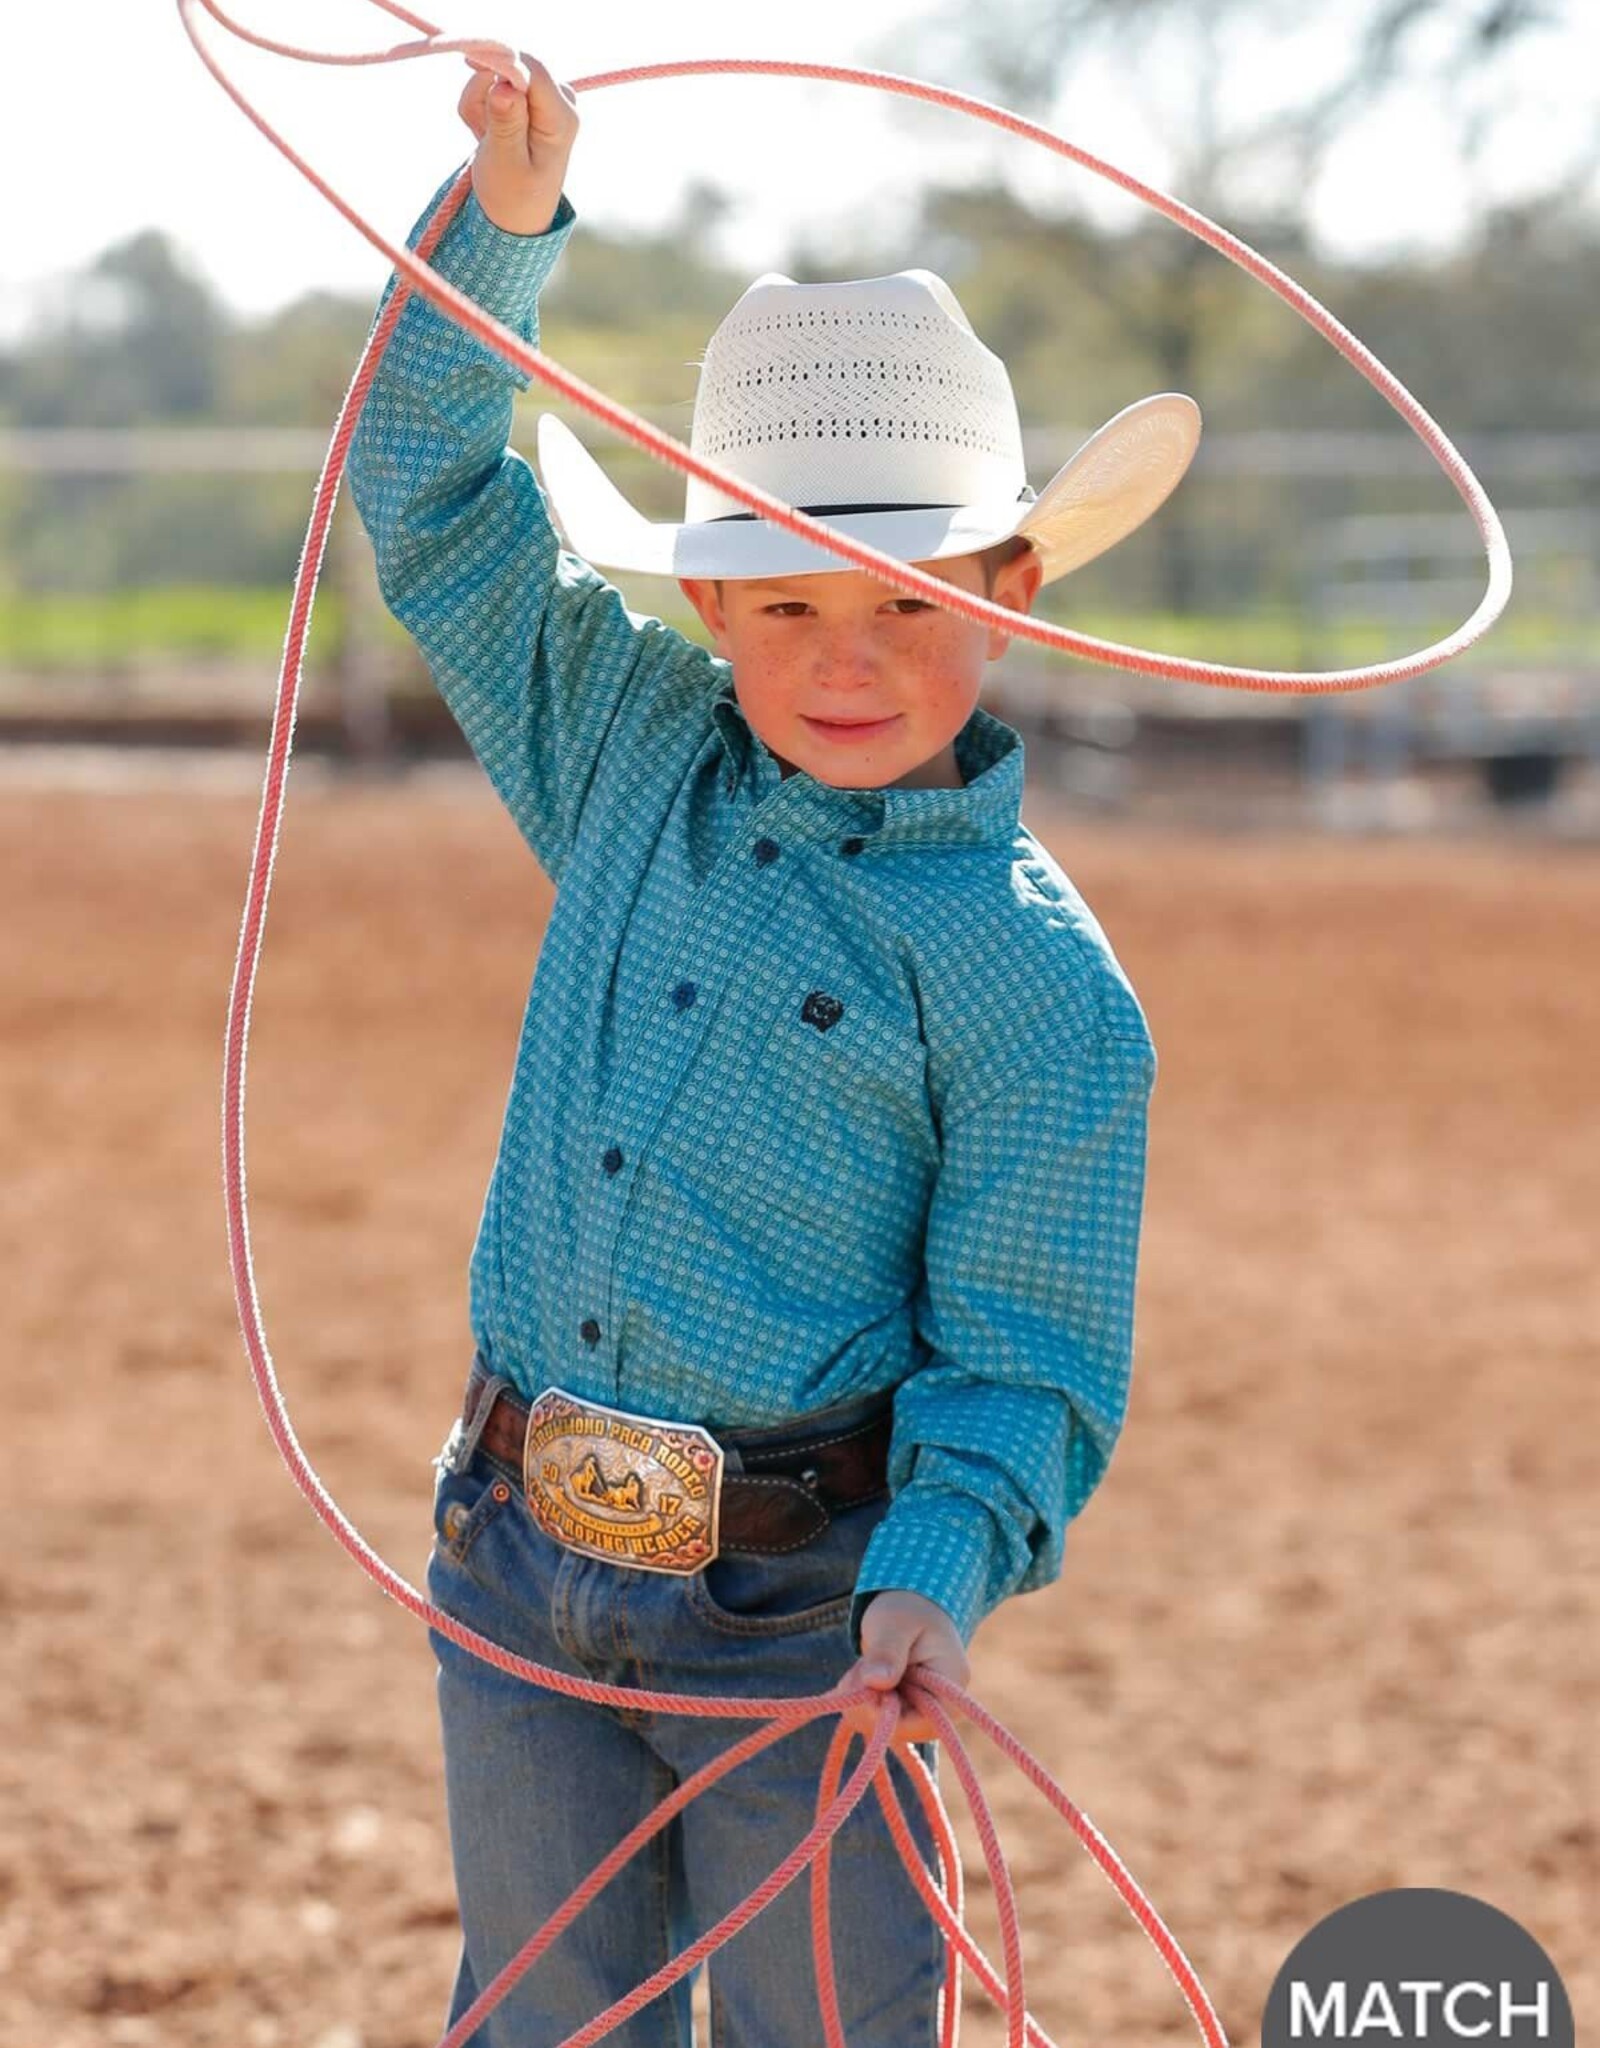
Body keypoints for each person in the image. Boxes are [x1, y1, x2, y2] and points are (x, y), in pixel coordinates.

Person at [347, 53, 1196, 2048]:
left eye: (905, 601)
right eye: (788, 599)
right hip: (517, 1550)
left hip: (802, 1619)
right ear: (706, 598)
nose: (844, 658)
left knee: (827, 2022)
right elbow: (428, 488)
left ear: (1007, 594)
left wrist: (935, 1567)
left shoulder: (1033, 987)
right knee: (547, 2021)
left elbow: (1022, 1348)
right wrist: (505, 223)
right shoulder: (627, 749)